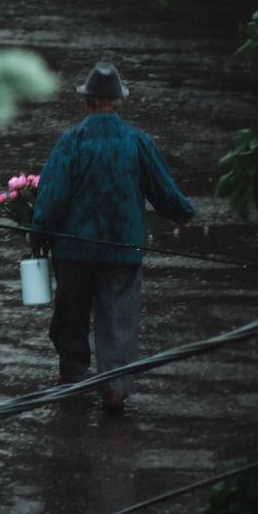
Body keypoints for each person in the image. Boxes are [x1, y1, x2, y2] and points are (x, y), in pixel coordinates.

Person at [30, 61, 195, 412]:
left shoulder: (71, 141)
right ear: (118, 101)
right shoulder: (138, 141)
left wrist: (38, 233)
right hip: (123, 249)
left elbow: (52, 196)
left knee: (71, 315)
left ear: (86, 102)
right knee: (119, 319)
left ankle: (72, 378)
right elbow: (162, 189)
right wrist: (183, 215)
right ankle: (115, 389)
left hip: (74, 251)